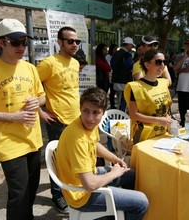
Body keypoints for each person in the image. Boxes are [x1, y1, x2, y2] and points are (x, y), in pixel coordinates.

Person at [56, 87, 149, 220]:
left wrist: (114, 158)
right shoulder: (77, 138)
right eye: (85, 111)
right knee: (142, 202)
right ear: (80, 108)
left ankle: (117, 211)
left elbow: (95, 143)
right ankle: (120, 209)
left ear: (103, 112)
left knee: (132, 174)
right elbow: (90, 185)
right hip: (81, 196)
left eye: (95, 112)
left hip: (87, 176)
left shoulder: (86, 125)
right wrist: (113, 173)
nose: (90, 118)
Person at [0, 18, 46, 220]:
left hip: (33, 139)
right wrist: (14, 117)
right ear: (1, 42)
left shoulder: (30, 68)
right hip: (8, 142)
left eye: (24, 42)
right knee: (19, 194)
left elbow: (42, 95)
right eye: (15, 42)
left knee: (30, 191)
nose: (21, 47)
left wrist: (36, 102)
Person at [36, 26, 81, 213]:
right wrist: (41, 112)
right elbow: (31, 87)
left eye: (77, 41)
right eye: (70, 41)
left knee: (73, 158)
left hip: (76, 118)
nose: (75, 45)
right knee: (58, 160)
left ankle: (71, 191)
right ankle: (57, 195)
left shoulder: (75, 63)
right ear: (59, 42)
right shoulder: (48, 63)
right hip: (57, 120)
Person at [124, 49, 172, 143]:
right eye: (158, 62)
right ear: (147, 65)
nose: (162, 66)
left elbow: (165, 109)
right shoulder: (136, 87)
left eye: (164, 62)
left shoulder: (164, 83)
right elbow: (133, 115)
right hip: (144, 134)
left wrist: (168, 119)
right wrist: (157, 120)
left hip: (163, 132)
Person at [111, 37, 135, 111]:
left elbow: (112, 64)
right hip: (124, 80)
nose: (132, 47)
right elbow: (131, 67)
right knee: (123, 101)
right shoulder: (127, 55)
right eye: (131, 45)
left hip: (116, 79)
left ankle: (118, 113)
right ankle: (121, 116)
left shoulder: (115, 54)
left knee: (118, 100)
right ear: (128, 45)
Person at [106, 43, 118, 109]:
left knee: (113, 92)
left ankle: (112, 104)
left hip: (114, 75)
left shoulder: (115, 56)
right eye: (115, 49)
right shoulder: (108, 56)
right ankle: (111, 104)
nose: (116, 50)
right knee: (110, 91)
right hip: (109, 75)